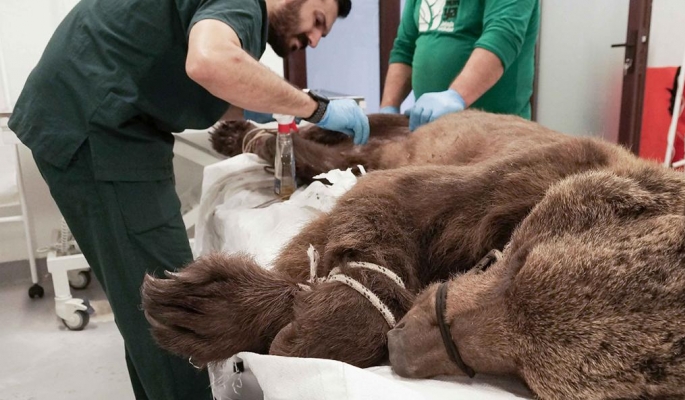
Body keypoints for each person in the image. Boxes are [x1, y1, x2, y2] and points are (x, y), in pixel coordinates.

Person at [8, 0, 366, 399]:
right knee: (175, 310)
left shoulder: (240, 22)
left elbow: (213, 79)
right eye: (317, 23)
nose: (314, 41)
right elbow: (210, 62)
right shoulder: (244, 4)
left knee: (139, 302)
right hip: (100, 129)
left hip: (99, 118)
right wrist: (317, 108)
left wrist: (276, 112)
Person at [379, 0, 540, 131]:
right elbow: (405, 49)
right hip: (430, 132)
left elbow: (501, 37)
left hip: (496, 134)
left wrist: (456, 96)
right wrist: (388, 108)